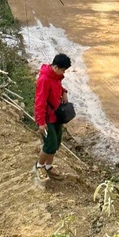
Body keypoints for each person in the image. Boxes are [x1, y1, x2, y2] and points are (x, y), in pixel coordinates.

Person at [34, 53, 72, 182]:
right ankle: (39, 166)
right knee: (50, 144)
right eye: (63, 70)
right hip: (46, 118)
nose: (63, 72)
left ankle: (49, 166)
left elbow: (57, 86)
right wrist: (41, 122)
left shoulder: (55, 76)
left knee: (56, 142)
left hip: (55, 115)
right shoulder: (44, 80)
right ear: (55, 67)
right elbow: (39, 102)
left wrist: (64, 92)